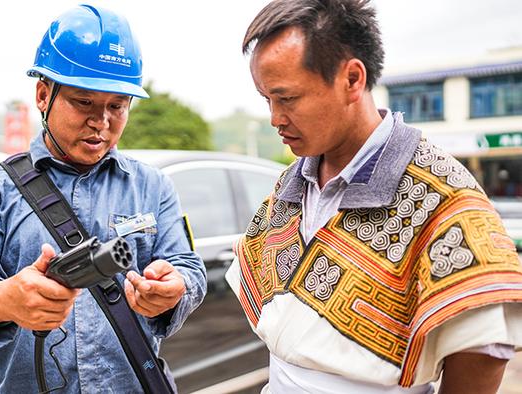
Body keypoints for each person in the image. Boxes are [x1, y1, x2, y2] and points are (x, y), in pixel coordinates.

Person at [224, 1, 522, 393]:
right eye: (267, 99)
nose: (275, 118)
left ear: (352, 79)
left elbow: (481, 358)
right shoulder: (290, 185)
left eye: (288, 98)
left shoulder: (446, 198)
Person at [0, 5, 206, 393]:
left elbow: (186, 266)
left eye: (117, 106)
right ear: (44, 95)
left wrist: (175, 289)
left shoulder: (152, 186)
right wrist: (2, 299)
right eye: (84, 102)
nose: (102, 122)